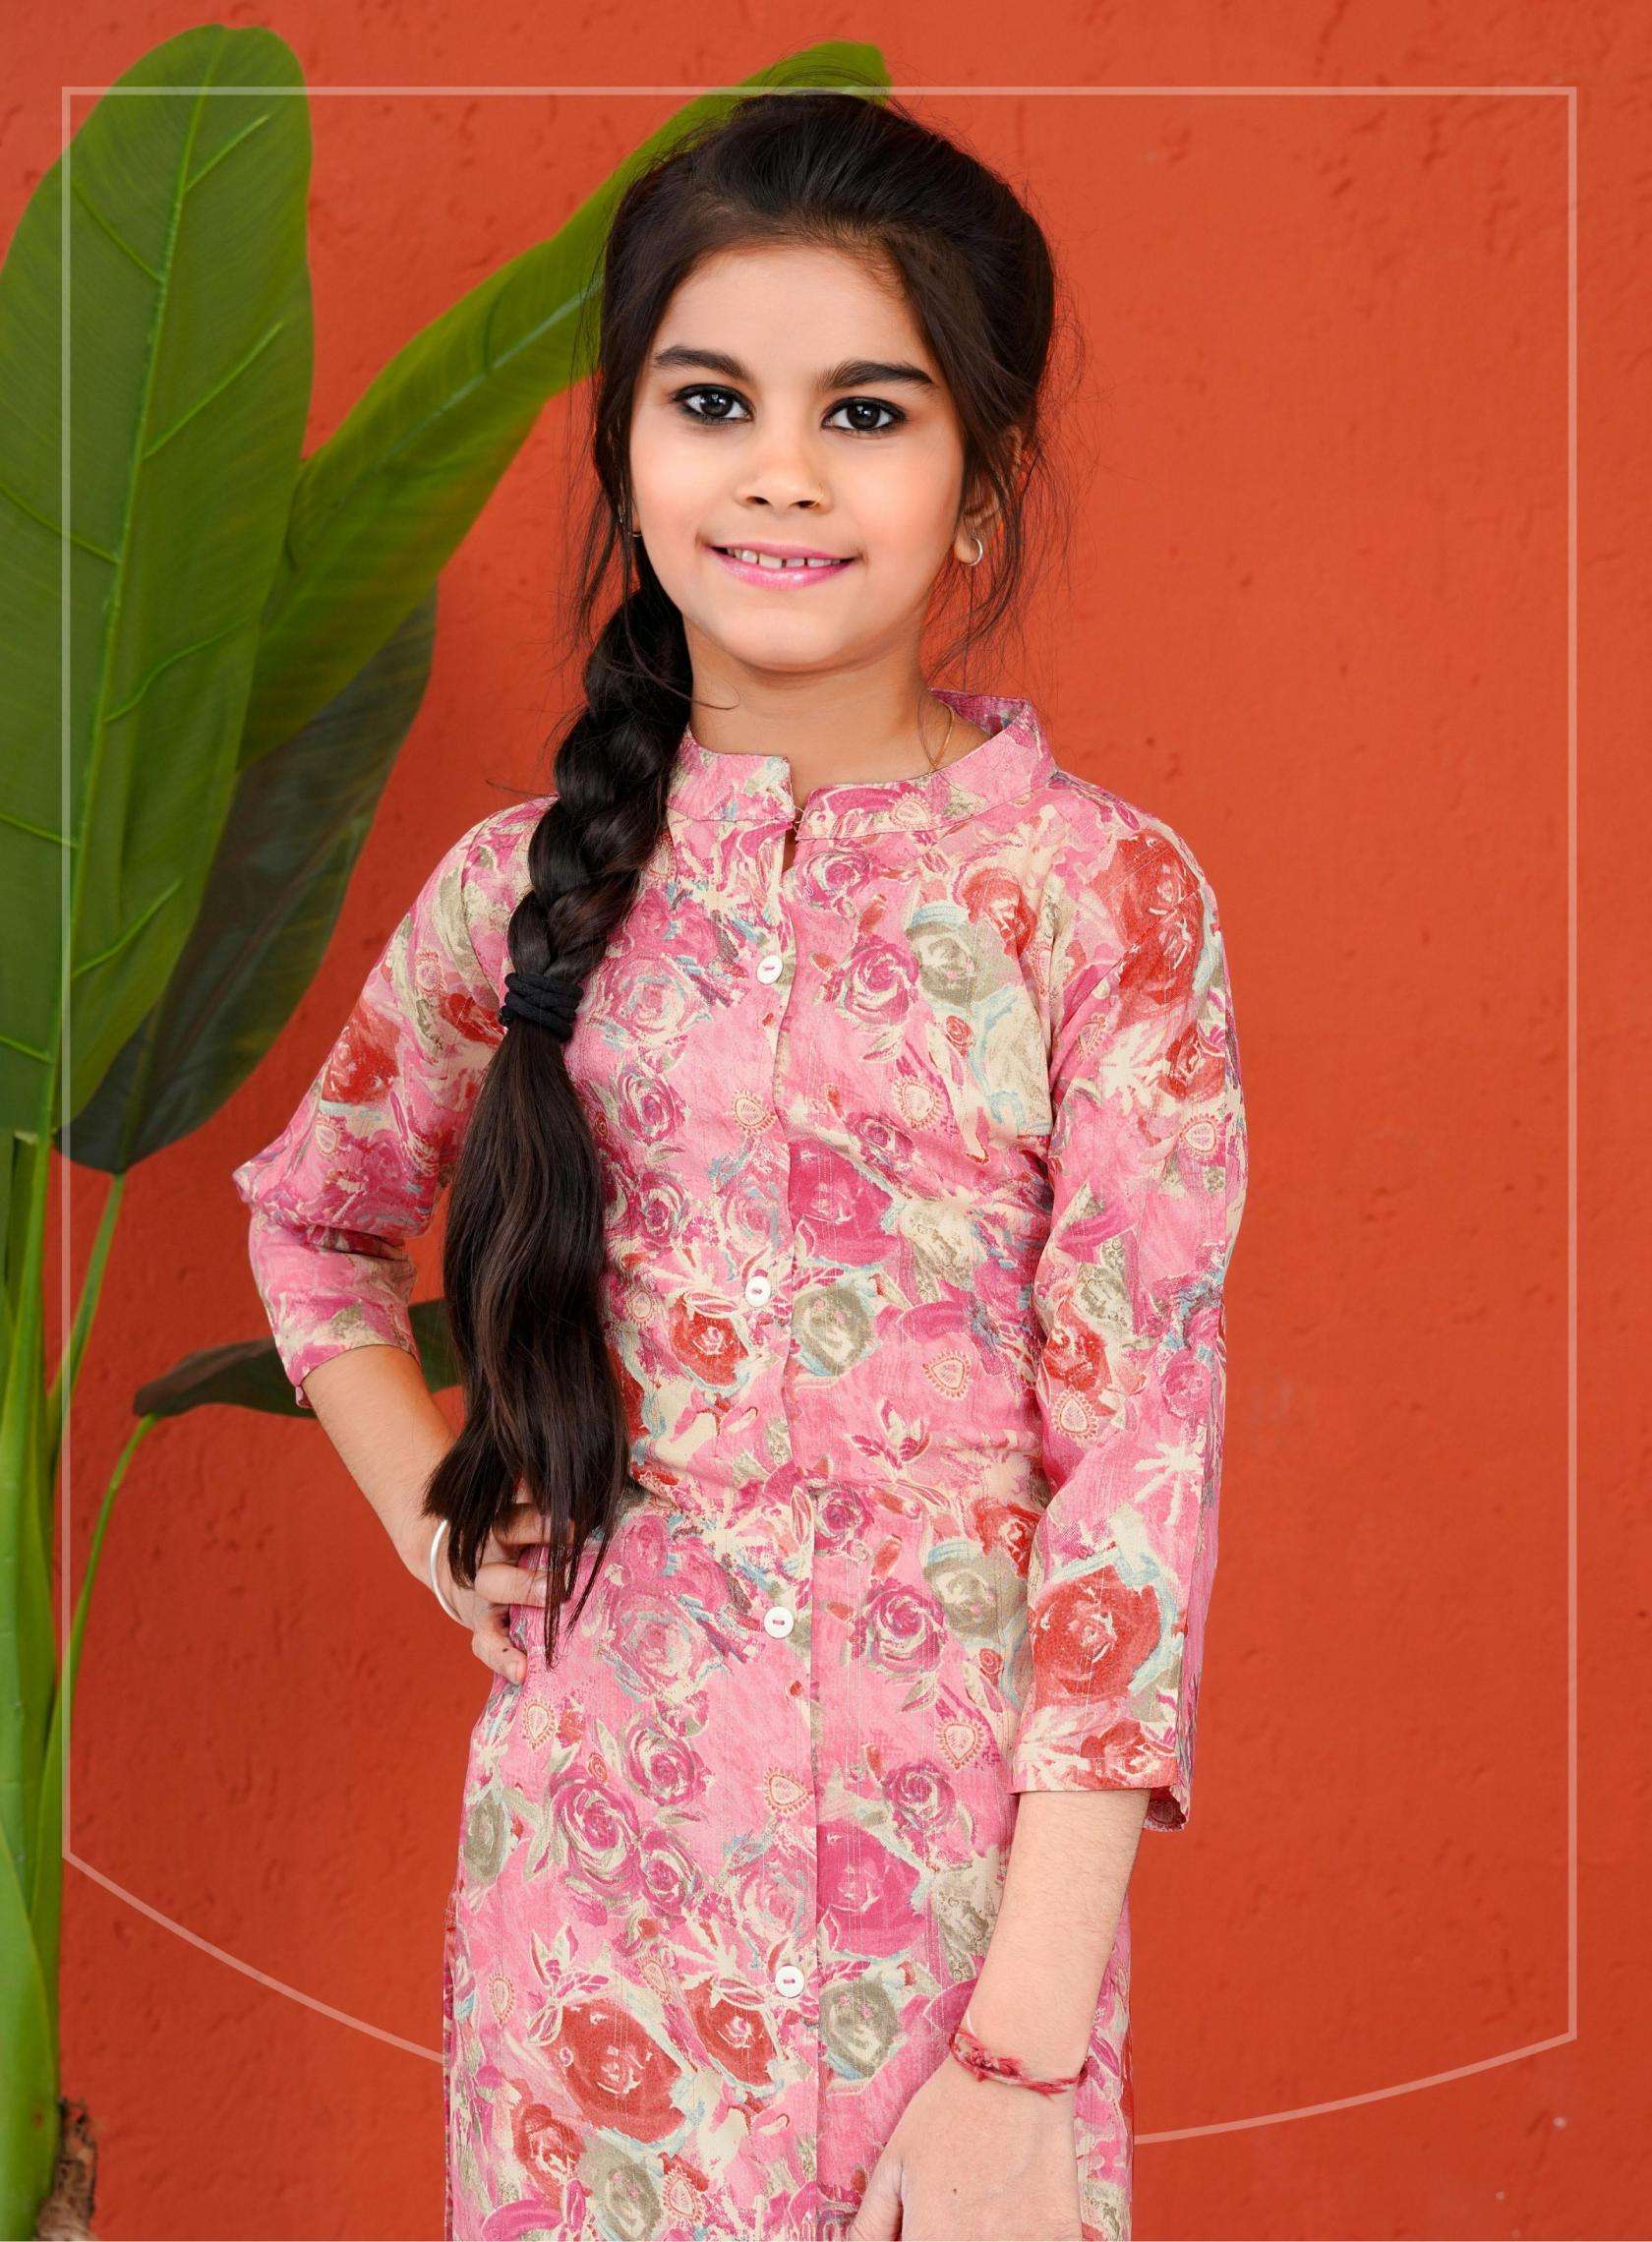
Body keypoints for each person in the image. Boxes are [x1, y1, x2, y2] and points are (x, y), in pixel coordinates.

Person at [230, 88, 1249, 2242]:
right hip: (588, 1938)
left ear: (983, 490)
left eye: (865, 412)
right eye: (712, 402)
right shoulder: (519, 893)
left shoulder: (1096, 904)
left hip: (957, 1967)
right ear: (626, 458)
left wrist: (1021, 2062)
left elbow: (1137, 1481)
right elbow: (311, 1221)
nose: (781, 469)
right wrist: (439, 1515)